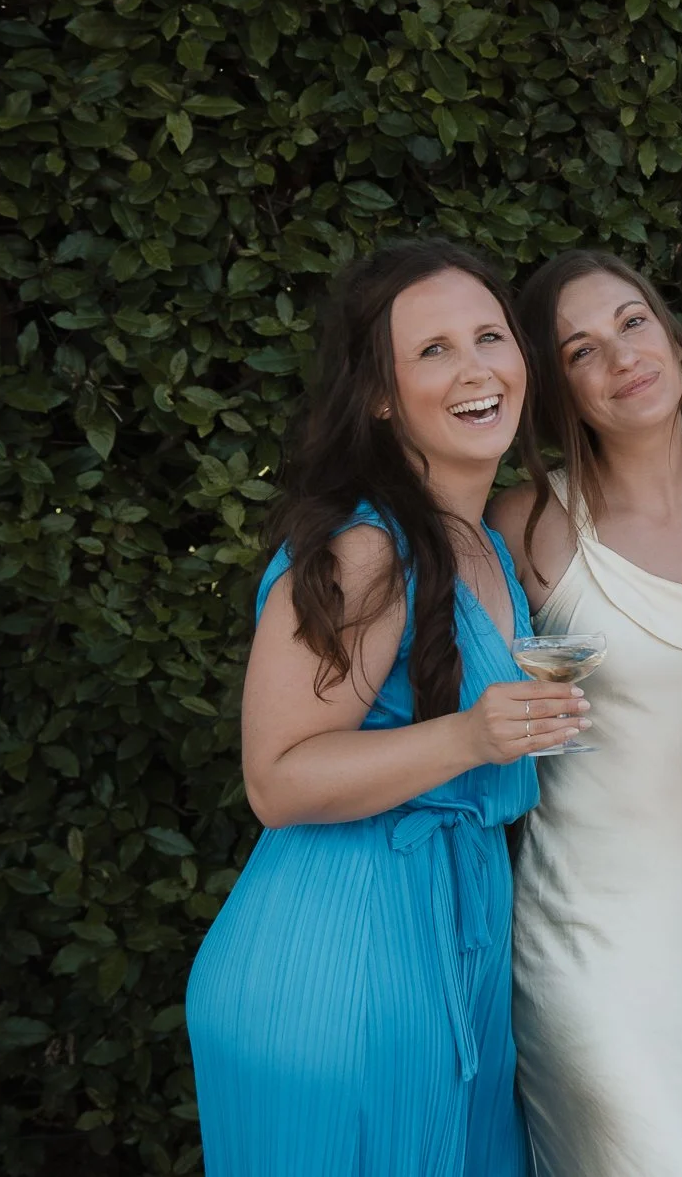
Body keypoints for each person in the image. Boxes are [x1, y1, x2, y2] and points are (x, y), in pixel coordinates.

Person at [187, 239, 585, 1175]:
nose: (476, 367)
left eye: (490, 335)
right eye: (433, 350)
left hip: (459, 943)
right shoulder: (365, 549)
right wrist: (468, 735)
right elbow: (276, 780)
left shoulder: (485, 543)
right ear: (378, 393)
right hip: (340, 960)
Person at [490, 250, 682, 1177]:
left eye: (632, 322)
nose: (620, 359)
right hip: (582, 937)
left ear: (674, 335)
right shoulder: (521, 524)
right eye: (580, 350)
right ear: (555, 388)